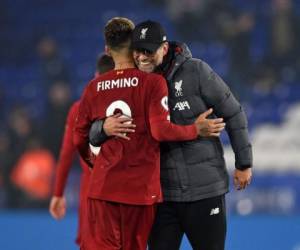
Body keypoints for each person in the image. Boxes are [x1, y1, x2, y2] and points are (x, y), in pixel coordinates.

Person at [90, 20, 253, 250]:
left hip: (203, 190)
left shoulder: (196, 71)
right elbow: (92, 126)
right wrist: (103, 127)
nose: (142, 56)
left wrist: (244, 163)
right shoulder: (133, 82)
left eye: (149, 50)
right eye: (137, 50)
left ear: (164, 48)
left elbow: (234, 112)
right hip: (160, 197)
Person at [48, 54, 115, 246]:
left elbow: (66, 155)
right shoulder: (133, 107)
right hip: (125, 198)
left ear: (95, 75)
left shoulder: (78, 109)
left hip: (91, 201)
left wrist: (58, 193)